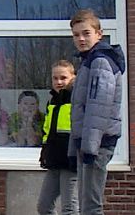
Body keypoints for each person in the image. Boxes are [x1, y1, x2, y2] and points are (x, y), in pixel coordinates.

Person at [69, 9, 124, 215]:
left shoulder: (100, 62)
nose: (81, 39)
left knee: (91, 205)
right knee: (86, 203)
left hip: (97, 144)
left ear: (99, 34)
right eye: (76, 35)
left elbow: (98, 108)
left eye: (86, 33)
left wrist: (90, 148)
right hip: (89, 143)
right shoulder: (88, 61)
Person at [38, 60, 78, 215]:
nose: (59, 82)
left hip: (71, 161)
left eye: (63, 77)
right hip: (54, 161)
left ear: (73, 77)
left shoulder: (77, 99)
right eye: (55, 78)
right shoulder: (52, 101)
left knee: (69, 208)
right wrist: (45, 154)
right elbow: (48, 132)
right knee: (44, 206)